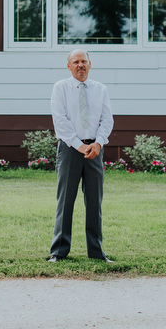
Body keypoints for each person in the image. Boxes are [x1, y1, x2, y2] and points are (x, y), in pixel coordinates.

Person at [49, 48, 114, 263]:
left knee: (94, 202)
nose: (80, 65)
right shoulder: (61, 88)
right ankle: (59, 252)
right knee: (66, 200)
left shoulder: (100, 89)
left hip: (94, 150)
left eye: (84, 61)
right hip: (70, 150)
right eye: (76, 62)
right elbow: (60, 121)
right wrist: (79, 146)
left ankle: (96, 252)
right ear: (68, 66)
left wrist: (98, 143)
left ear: (90, 64)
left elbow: (107, 120)